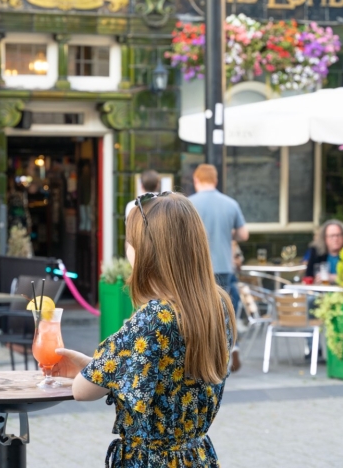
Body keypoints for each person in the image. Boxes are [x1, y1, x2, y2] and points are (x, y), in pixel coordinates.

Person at [53, 192, 236, 467]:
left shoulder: (153, 318)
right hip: (196, 456)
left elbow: (81, 391)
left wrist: (96, 370)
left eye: (131, 241)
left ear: (146, 250)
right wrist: (97, 366)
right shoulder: (217, 305)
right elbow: (161, 375)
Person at [188, 164, 248, 315]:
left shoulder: (187, 204)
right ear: (215, 180)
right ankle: (224, 339)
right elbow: (243, 235)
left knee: (198, 311)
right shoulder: (231, 203)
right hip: (223, 266)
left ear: (196, 180)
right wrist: (227, 233)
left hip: (195, 266)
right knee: (222, 312)